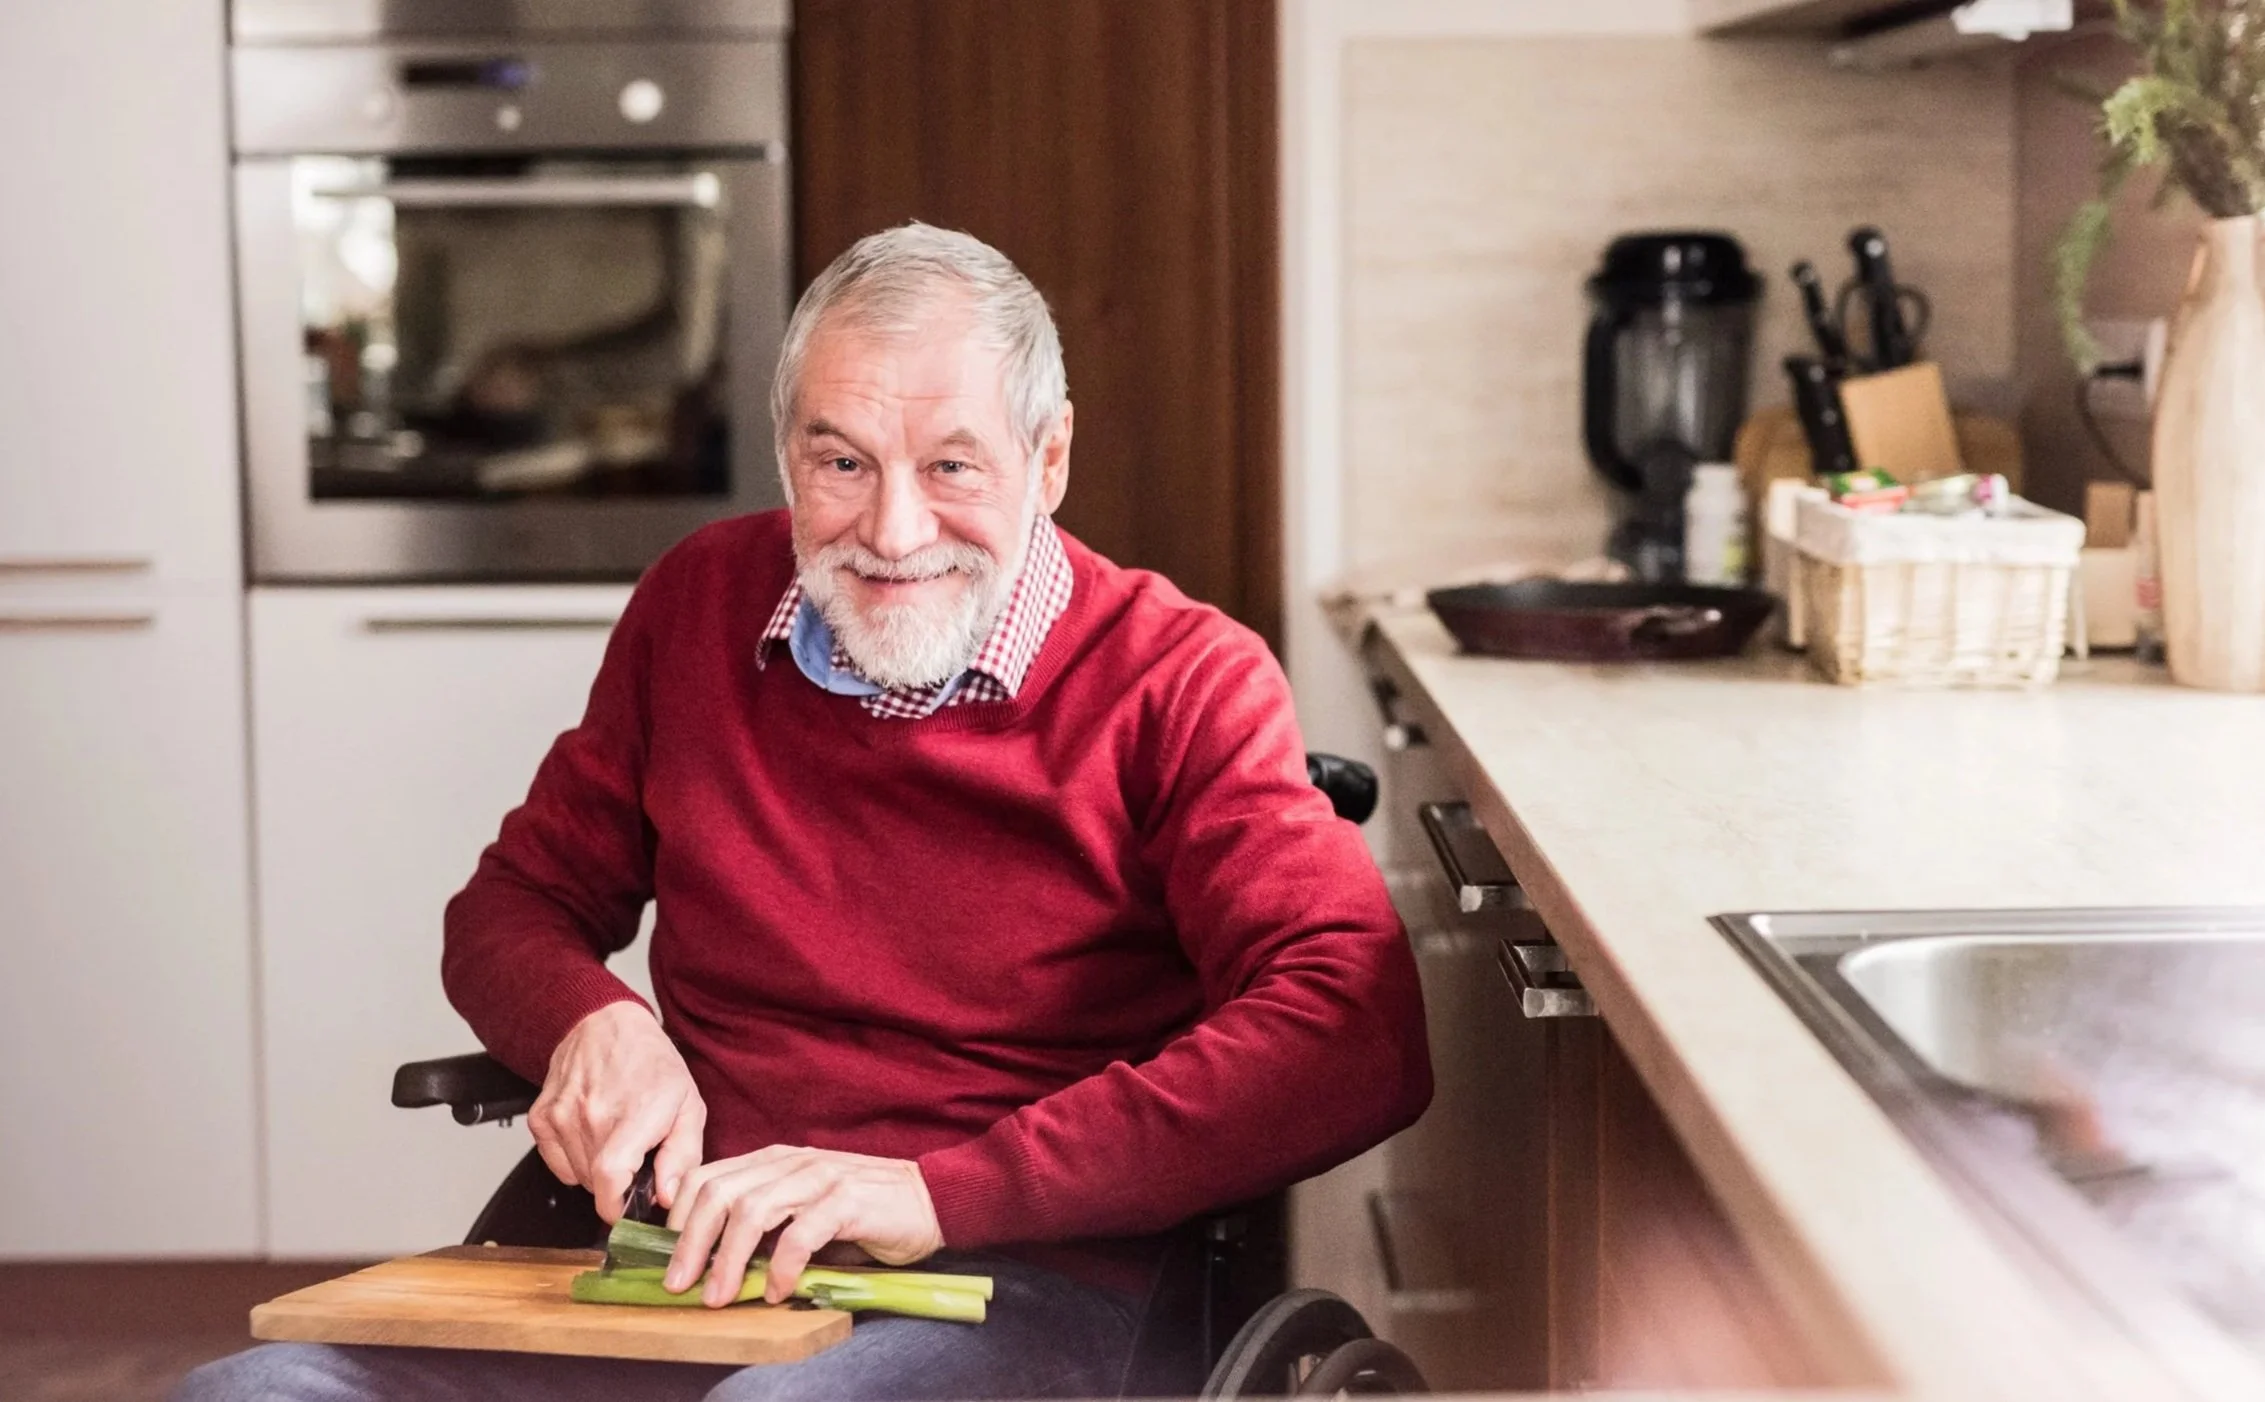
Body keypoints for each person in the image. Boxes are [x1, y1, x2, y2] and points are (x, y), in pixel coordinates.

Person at [176, 223, 1430, 1402]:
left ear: (1047, 460)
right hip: (673, 1254)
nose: (893, 529)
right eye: (841, 462)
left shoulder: (1181, 676)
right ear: (787, 457)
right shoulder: (699, 607)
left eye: (951, 465)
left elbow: (1350, 1022)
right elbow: (514, 907)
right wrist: (593, 1023)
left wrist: (939, 1190)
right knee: (250, 1392)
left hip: (1014, 1281)